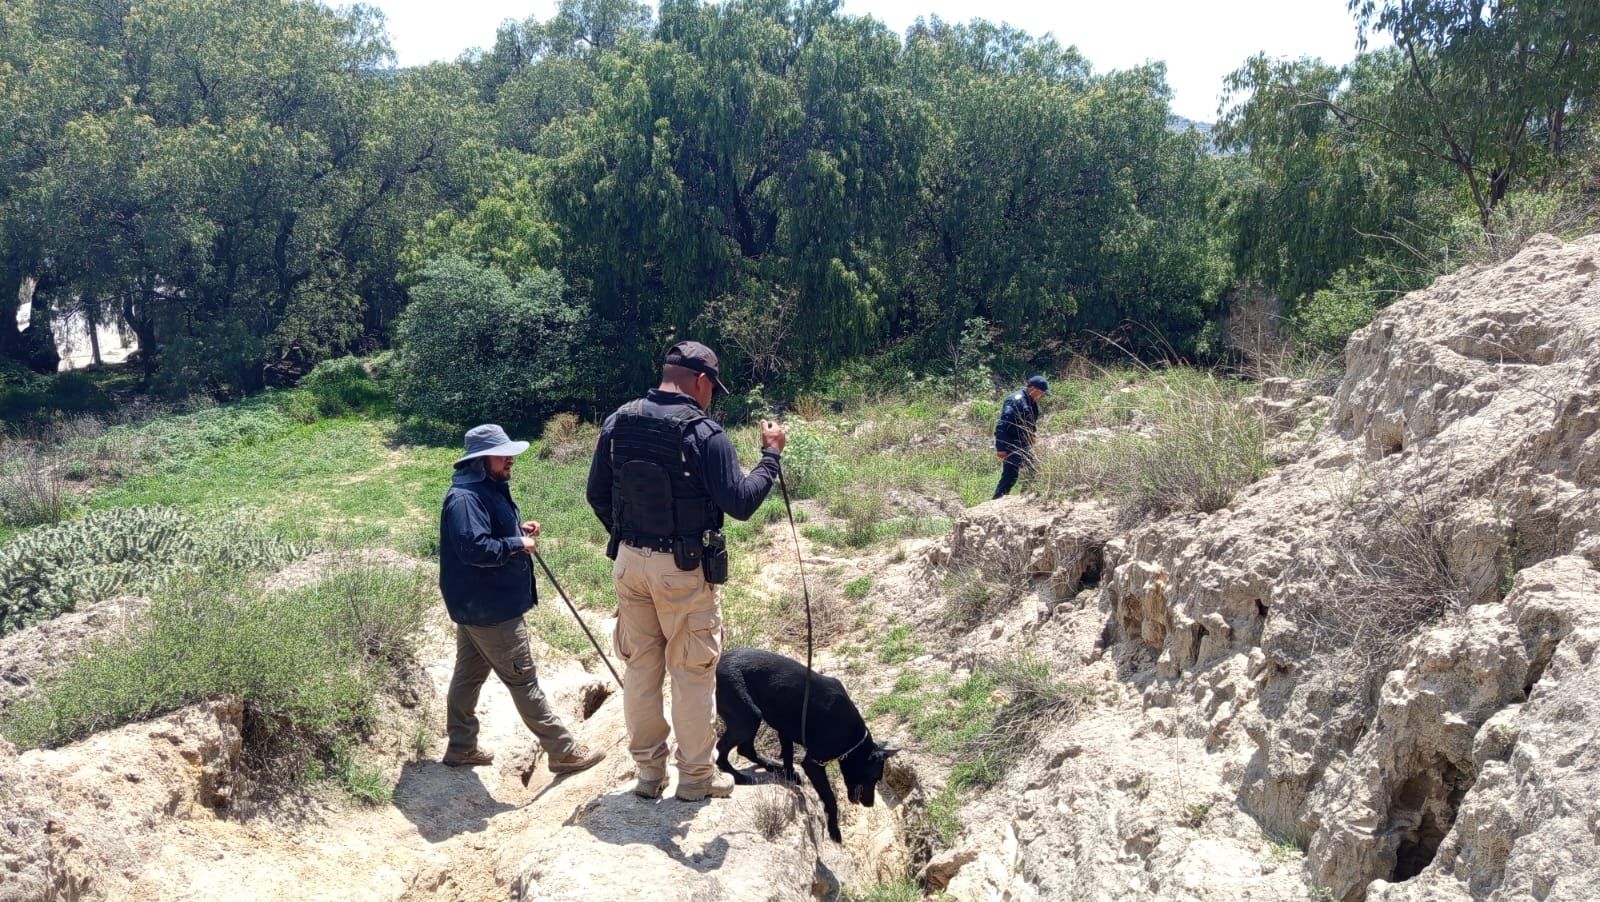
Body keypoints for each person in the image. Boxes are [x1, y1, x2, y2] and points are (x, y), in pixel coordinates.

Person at [585, 341, 787, 802]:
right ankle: (696, 777)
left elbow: (596, 493)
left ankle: (648, 774)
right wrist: (771, 457)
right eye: (712, 387)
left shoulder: (618, 422)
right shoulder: (705, 434)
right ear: (700, 381)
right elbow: (740, 503)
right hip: (683, 568)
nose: (711, 396)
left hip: (629, 563)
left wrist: (629, 536)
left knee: (641, 669)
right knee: (692, 671)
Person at [438, 423, 605, 775]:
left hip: (476, 607)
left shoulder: (484, 488)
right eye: (503, 455)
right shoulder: (466, 498)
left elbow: (487, 535)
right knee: (523, 680)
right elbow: (474, 548)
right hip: (491, 610)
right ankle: (563, 752)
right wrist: (517, 543)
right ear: (482, 460)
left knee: (468, 676)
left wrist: (518, 531)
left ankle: (461, 746)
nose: (510, 459)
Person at [992, 375, 1049, 499]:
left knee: (1033, 470)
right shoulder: (1015, 400)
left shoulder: (1031, 402)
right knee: (1010, 475)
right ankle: (996, 501)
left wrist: (1032, 437)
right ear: (1033, 389)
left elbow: (1029, 423)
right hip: (1012, 444)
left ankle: (1026, 497)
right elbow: (1002, 425)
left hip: (1024, 444)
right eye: (1041, 393)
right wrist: (1001, 448)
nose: (1042, 397)